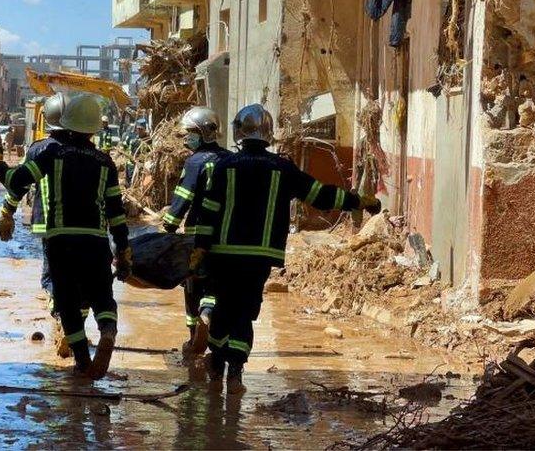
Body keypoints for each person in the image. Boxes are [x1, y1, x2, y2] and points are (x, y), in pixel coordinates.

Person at [192, 104, 381, 395]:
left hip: (224, 254)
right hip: (260, 257)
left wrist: (200, 250)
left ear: (238, 132)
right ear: (269, 133)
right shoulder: (283, 169)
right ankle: (236, 373)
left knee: (225, 308)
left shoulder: (223, 167)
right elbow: (320, 195)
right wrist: (357, 201)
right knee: (245, 312)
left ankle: (216, 363)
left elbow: (208, 212)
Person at [0, 94, 132, 379]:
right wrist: (123, 250)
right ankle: (108, 330)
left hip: (60, 240)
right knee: (102, 295)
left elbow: (16, 182)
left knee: (66, 301)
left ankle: (82, 362)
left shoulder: (50, 153)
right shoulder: (105, 161)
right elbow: (117, 214)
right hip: (96, 240)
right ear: (93, 128)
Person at [0, 94, 82, 357]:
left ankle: (62, 321)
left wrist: (7, 212)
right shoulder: (91, 151)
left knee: (53, 276)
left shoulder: (40, 149)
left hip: (50, 225)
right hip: (88, 228)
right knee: (81, 279)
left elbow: (19, 185)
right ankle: (76, 327)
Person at [161, 107, 231, 355]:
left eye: (190, 133)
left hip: (196, 232)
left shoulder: (195, 162)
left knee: (192, 283)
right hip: (225, 235)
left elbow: (183, 196)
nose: (186, 138)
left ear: (204, 133)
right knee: (214, 284)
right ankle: (209, 317)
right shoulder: (230, 159)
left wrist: (169, 224)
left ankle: (193, 338)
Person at [124, 120, 152, 186]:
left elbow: (149, 153)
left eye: (141, 129)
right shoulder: (133, 138)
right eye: (138, 129)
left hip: (138, 166)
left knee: (134, 183)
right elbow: (126, 147)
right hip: (129, 164)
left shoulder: (148, 140)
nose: (139, 131)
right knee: (127, 183)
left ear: (144, 129)